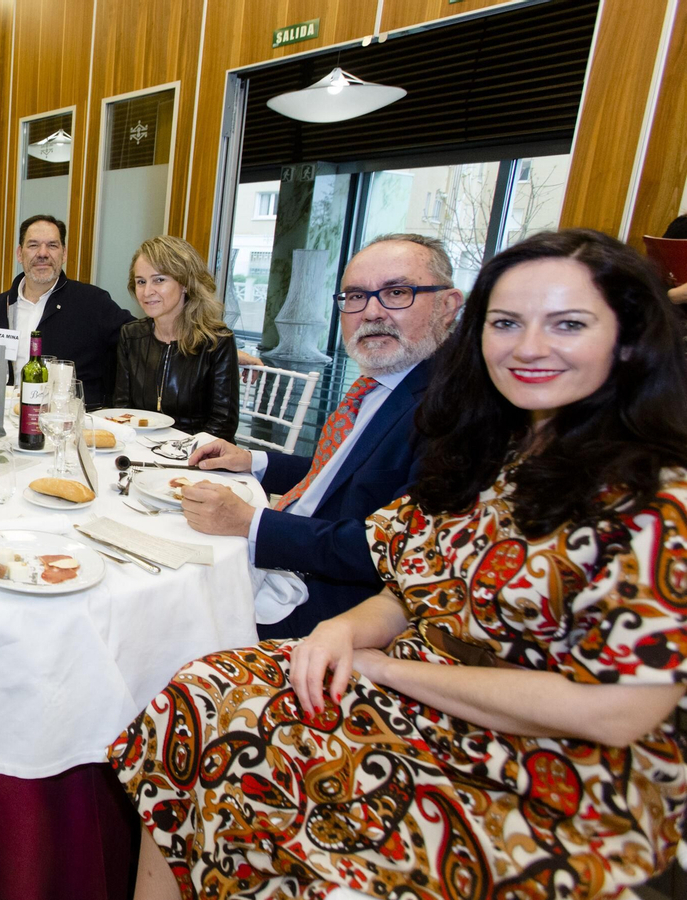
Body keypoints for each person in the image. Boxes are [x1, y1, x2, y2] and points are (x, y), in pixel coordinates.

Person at [110, 228, 687, 900]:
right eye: (507, 323)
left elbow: (618, 713)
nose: (529, 346)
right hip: (420, 692)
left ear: (628, 339)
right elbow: (410, 576)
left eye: (568, 324)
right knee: (194, 694)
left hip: (548, 771)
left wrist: (382, 666)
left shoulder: (657, 499)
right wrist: (345, 631)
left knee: (219, 710)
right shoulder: (498, 453)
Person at [182, 234, 463, 639]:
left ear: (447, 306)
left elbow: (391, 553)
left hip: (322, 603)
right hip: (284, 553)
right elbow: (338, 476)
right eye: (356, 296)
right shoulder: (383, 384)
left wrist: (251, 522)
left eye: (397, 293)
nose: (372, 312)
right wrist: (253, 461)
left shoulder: (452, 412)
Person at [0, 214, 132, 408]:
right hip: (5, 417)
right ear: (19, 254)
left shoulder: (93, 303)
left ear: (64, 254)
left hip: (69, 419)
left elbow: (137, 341)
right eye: (33, 245)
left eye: (52, 245)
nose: (42, 253)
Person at [111, 236, 239, 440]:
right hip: (141, 447)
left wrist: (176, 450)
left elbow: (223, 424)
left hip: (198, 451)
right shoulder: (131, 335)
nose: (147, 292)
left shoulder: (218, 341)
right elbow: (122, 408)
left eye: (159, 280)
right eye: (141, 282)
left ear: (185, 283)